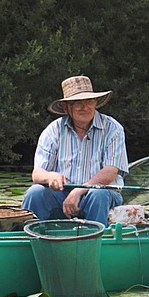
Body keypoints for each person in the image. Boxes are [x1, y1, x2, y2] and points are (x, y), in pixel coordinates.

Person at [21, 75, 129, 226]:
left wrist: (79, 191)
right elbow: (37, 173)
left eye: (89, 101)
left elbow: (110, 172)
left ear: (96, 103)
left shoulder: (112, 128)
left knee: (99, 194)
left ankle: (95, 241)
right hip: (61, 194)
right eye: (78, 103)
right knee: (35, 193)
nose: (85, 107)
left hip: (102, 193)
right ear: (66, 108)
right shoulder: (54, 130)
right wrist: (50, 176)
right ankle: (29, 238)